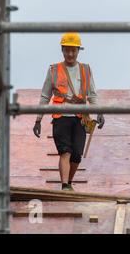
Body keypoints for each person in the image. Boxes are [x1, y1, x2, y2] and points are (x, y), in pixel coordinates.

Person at [32, 32, 105, 191]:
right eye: (67, 50)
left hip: (80, 117)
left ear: (78, 51)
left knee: (77, 154)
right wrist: (38, 120)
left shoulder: (85, 70)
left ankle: (69, 182)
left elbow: (92, 94)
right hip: (61, 116)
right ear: (62, 50)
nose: (70, 53)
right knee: (65, 151)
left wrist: (99, 112)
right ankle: (65, 185)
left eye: (73, 50)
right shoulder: (54, 70)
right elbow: (45, 96)